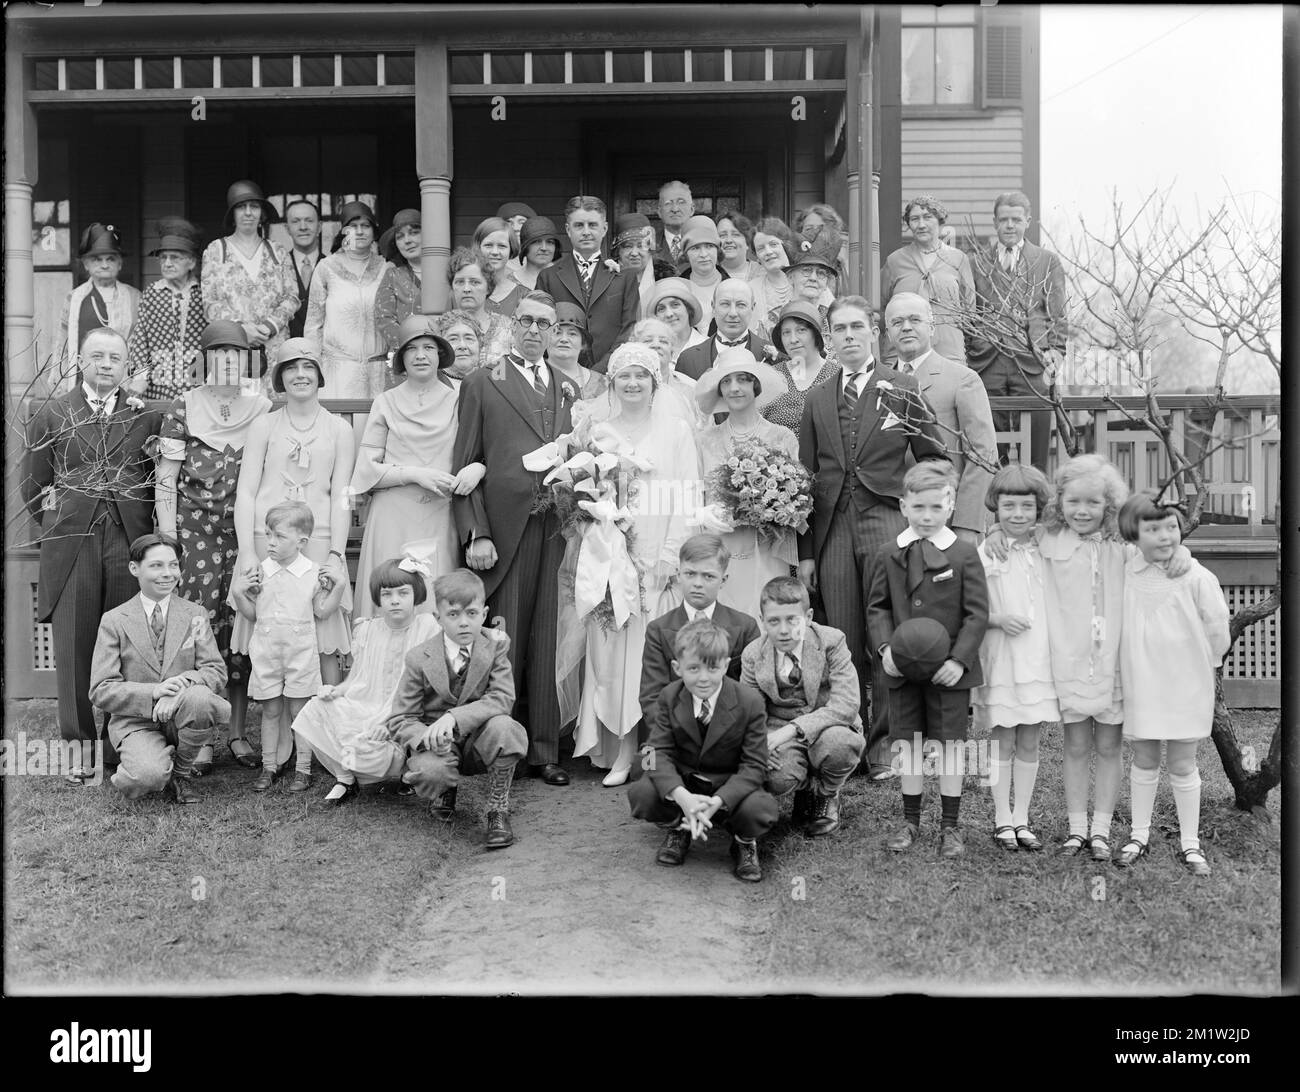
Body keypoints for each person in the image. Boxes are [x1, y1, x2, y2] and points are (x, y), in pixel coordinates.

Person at [981, 453, 1191, 860]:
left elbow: (1161, 551)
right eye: (1073, 502)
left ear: (1109, 505)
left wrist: (1180, 553)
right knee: (1076, 747)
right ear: (1059, 503)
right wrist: (993, 531)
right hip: (1068, 663)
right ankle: (1076, 829)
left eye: (1093, 503)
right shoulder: (1048, 538)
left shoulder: (1123, 545)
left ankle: (1101, 829)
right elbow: (1015, 531)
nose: (1082, 511)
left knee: (1110, 747)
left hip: (1112, 663)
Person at [797, 297, 947, 781]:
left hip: (884, 520)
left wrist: (921, 512)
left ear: (873, 332)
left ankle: (886, 746)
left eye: (857, 327)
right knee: (842, 635)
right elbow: (804, 477)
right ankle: (850, 738)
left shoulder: (900, 387)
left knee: (885, 635)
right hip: (833, 526)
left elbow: (933, 457)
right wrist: (805, 553)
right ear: (829, 336)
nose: (847, 336)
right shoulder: (818, 398)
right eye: (838, 329)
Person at [22, 327, 160, 778]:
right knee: (78, 643)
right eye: (96, 355)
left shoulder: (145, 416)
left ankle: (121, 741)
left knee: (127, 645)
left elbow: (155, 480)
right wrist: (64, 526)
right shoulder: (52, 413)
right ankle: (79, 747)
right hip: (74, 541)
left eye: (115, 358)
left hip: (128, 540)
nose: (105, 364)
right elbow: (32, 487)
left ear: (126, 366)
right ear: (80, 360)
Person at [451, 291, 576, 785]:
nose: (533, 330)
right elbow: (465, 461)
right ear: (511, 327)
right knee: (506, 637)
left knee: (550, 635)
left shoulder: (567, 386)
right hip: (503, 529)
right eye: (524, 320)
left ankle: (544, 749)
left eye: (545, 324)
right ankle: (498, 744)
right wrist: (476, 532)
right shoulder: (484, 382)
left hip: (556, 526)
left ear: (555, 332)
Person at [568, 342, 699, 785]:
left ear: (654, 381)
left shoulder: (676, 430)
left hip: (658, 558)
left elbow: (686, 493)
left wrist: (670, 555)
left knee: (653, 655)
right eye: (624, 375)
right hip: (611, 556)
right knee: (613, 654)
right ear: (612, 382)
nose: (632, 383)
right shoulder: (598, 432)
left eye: (641, 375)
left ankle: (658, 749)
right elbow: (583, 495)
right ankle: (621, 748)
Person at [155, 320, 272, 774]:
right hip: (194, 536)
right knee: (198, 635)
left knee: (243, 631)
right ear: (204, 360)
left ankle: (239, 733)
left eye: (235, 354)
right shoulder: (184, 408)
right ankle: (199, 736)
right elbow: (166, 480)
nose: (227, 362)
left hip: (246, 535)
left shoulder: (261, 408)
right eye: (218, 353)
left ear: (246, 360)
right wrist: (170, 539)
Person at [867, 462, 989, 858]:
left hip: (949, 672)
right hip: (902, 670)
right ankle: (910, 821)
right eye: (918, 507)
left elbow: (976, 614)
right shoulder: (888, 553)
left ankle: (950, 826)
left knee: (951, 746)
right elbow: (877, 607)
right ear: (903, 506)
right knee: (909, 745)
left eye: (936, 508)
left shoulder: (964, 553)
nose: (926, 516)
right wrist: (886, 650)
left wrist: (959, 660)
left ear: (950, 507)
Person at [232, 338, 356, 721]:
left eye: (307, 368)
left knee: (322, 629)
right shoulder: (264, 425)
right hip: (266, 540)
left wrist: (336, 553)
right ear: (280, 378)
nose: (299, 375)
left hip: (317, 541)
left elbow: (342, 495)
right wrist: (247, 550)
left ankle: (324, 728)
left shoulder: (339, 429)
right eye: (290, 368)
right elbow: (247, 490)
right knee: (269, 626)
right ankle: (277, 731)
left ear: (319, 376)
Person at [1114, 492, 1230, 877]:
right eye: (1153, 529)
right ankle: (1139, 834)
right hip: (1141, 681)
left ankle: (1190, 843)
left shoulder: (1195, 575)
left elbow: (1217, 627)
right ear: (1133, 534)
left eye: (1171, 527)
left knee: (1183, 763)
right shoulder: (1125, 571)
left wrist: (1207, 666)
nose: (1165, 536)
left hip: (1185, 682)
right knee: (1144, 758)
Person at [387, 568, 530, 849]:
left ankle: (497, 808)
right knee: (430, 770)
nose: (463, 623)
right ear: (438, 618)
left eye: (472, 614)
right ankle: (444, 791)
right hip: (438, 746)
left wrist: (454, 717)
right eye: (453, 615)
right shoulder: (419, 658)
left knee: (506, 728)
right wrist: (426, 736)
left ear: (485, 613)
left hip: (479, 741)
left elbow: (502, 698)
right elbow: (400, 718)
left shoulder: (495, 647)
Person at [627, 618, 777, 883]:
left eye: (712, 667)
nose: (704, 677)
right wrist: (682, 797)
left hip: (728, 784)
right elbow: (656, 750)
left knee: (760, 809)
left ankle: (744, 841)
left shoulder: (750, 701)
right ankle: (678, 827)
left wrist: (719, 801)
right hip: (684, 780)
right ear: (677, 668)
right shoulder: (668, 697)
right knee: (643, 779)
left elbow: (755, 765)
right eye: (693, 668)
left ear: (726, 665)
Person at [88, 534, 231, 804]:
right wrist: (155, 691)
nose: (167, 574)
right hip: (136, 721)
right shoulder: (114, 620)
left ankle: (181, 772)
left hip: (183, 712)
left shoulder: (195, 614)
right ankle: (151, 763)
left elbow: (215, 671)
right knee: (146, 777)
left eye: (173, 565)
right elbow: (101, 690)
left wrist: (179, 690)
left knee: (200, 698)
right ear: (135, 569)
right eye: (156, 566)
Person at [351, 317, 479, 618]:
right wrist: (414, 474)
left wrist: (479, 468)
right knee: (390, 599)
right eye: (412, 349)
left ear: (440, 355)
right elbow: (367, 471)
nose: (420, 355)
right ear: (401, 358)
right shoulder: (385, 402)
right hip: (393, 515)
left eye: (428, 347)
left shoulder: (461, 400)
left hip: (440, 514)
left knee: (436, 599)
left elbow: (481, 452)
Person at [291, 558, 442, 804]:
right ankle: (345, 777)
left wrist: (391, 720)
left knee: (373, 746)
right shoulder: (369, 629)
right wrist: (336, 691)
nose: (394, 600)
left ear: (417, 595)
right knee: (315, 708)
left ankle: (404, 771)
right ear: (378, 598)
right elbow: (357, 679)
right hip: (368, 703)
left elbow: (429, 685)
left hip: (406, 711)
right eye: (387, 594)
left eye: (403, 593)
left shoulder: (426, 627)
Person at [969, 464, 1059, 852]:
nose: (1018, 514)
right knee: (1002, 737)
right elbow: (968, 609)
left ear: (1039, 509)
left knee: (1030, 739)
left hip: (1038, 658)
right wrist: (998, 619)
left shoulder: (1048, 549)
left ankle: (1021, 816)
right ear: (995, 507)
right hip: (1002, 656)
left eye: (1027, 506)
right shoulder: (986, 553)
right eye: (1009, 506)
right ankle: (1001, 818)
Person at [231, 500, 345, 792]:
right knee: (270, 711)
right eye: (268, 534)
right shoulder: (260, 571)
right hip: (267, 653)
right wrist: (240, 594)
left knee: (299, 712)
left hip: (300, 655)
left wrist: (339, 588)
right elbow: (253, 614)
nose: (270, 542)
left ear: (301, 541)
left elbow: (322, 611)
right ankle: (269, 766)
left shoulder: (312, 572)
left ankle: (303, 769)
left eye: (279, 537)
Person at [741, 576, 864, 836]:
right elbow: (750, 711)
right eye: (774, 621)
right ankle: (806, 788)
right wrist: (761, 739)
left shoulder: (831, 641)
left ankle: (827, 793)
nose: (784, 630)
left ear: (808, 617)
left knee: (840, 745)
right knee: (776, 775)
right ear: (762, 621)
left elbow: (846, 703)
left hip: (829, 725)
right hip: (778, 728)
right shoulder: (753, 654)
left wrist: (792, 730)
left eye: (792, 620)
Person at [966, 190, 1068, 471]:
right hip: (987, 359)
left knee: (1036, 433)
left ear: (1028, 221)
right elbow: (967, 310)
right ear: (995, 222)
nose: (1009, 225)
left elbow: (1057, 312)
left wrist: (1056, 351)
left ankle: (1035, 495)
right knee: (989, 435)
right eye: (1003, 219)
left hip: (1033, 360)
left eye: (1016, 219)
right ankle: (995, 498)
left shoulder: (1047, 261)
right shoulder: (976, 262)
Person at [884, 292, 997, 543]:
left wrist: (967, 524)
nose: (906, 327)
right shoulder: (878, 383)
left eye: (915, 319)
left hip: (945, 519)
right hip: (889, 522)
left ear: (932, 327)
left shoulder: (962, 379)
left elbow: (983, 454)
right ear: (888, 333)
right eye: (897, 322)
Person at [695, 348, 799, 619]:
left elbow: (797, 499)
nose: (734, 388)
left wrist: (768, 505)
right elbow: (694, 495)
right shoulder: (705, 440)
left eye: (742, 379)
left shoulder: (781, 437)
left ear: (756, 385)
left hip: (768, 549)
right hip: (720, 549)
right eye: (727, 382)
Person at [639, 535, 760, 729]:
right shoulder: (658, 630)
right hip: (674, 733)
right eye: (690, 574)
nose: (698, 583)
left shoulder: (745, 627)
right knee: (648, 758)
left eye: (708, 576)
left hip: (729, 733)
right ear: (678, 574)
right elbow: (651, 697)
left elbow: (752, 692)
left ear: (723, 580)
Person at [201, 180, 299, 379]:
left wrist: (267, 327)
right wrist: (241, 331)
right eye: (241, 207)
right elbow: (210, 303)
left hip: (273, 346)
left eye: (254, 206)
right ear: (233, 214)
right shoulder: (216, 251)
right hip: (232, 349)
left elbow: (292, 297)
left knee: (273, 406)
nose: (248, 212)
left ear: (261, 213)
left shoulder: (278, 252)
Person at [537, 195, 639, 371]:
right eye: (579, 225)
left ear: (604, 228)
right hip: (561, 372)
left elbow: (630, 328)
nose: (586, 232)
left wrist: (601, 370)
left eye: (592, 225)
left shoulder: (625, 277)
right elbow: (541, 325)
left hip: (612, 372)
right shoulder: (548, 277)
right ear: (568, 230)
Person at [304, 200, 388, 397]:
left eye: (365, 226)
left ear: (374, 231)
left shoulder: (386, 268)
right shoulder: (326, 268)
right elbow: (313, 325)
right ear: (343, 232)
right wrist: (313, 366)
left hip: (378, 372)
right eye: (352, 226)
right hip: (336, 371)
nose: (359, 232)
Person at [880, 195, 976, 367]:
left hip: (948, 353)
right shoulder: (895, 261)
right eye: (915, 219)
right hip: (903, 355)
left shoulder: (958, 259)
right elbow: (881, 309)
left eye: (928, 217)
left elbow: (969, 311)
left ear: (940, 221)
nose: (921, 225)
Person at [57, 224, 142, 394]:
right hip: (81, 382)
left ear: (120, 264)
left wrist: (137, 382)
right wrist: (59, 380)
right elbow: (63, 343)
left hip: (123, 383)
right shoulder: (74, 298)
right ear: (86, 264)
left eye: (110, 259)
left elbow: (142, 344)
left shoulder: (135, 297)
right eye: (97, 259)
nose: (104, 265)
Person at [129, 217, 205, 400]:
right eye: (163, 257)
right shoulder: (152, 293)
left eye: (175, 257)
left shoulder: (204, 294)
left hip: (198, 382)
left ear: (192, 262)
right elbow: (140, 339)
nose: (167, 263)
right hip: (159, 384)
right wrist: (140, 377)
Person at [760, 300, 840, 434]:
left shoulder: (837, 376)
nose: (793, 339)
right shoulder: (771, 377)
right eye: (786, 332)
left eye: (801, 330)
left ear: (816, 334)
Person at [675, 278, 771, 382]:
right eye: (725, 304)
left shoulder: (774, 355)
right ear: (713, 306)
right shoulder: (688, 359)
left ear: (752, 307)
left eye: (741, 305)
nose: (733, 313)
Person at [628, 317, 703, 430]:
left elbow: (704, 433)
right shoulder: (624, 387)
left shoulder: (691, 388)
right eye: (648, 340)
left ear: (672, 352)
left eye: (663, 341)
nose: (656, 345)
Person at [448, 247, 514, 368]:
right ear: (452, 287)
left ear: (488, 287)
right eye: (460, 282)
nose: (466, 289)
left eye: (475, 282)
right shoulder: (441, 329)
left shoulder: (507, 329)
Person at [374, 208, 424, 353]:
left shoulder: (447, 272)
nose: (407, 241)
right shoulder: (392, 276)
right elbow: (384, 319)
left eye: (414, 233)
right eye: (400, 236)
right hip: (404, 355)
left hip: (444, 356)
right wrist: (412, 347)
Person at [748, 217, 799, 340]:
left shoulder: (810, 280)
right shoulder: (750, 290)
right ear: (757, 257)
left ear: (786, 245)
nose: (768, 252)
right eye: (761, 248)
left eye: (773, 244)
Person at [546, 302, 608, 400]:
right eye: (557, 332)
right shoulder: (530, 377)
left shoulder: (601, 384)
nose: (564, 339)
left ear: (583, 343)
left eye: (572, 334)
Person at [677, 214, 727, 335]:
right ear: (686, 254)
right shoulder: (675, 291)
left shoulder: (735, 288)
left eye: (709, 246)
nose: (703, 254)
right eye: (695, 248)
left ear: (717, 250)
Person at [283, 199, 324, 339]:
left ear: (319, 227)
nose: (303, 227)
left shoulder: (333, 267)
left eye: (309, 220)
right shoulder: (276, 267)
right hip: (284, 353)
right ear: (287, 228)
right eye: (295, 221)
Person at [645, 277, 707, 365]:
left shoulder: (708, 348)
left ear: (688, 309)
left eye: (675, 305)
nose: (669, 314)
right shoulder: (649, 352)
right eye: (661, 309)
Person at [474, 216, 528, 316]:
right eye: (488, 245)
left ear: (511, 250)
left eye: (502, 246)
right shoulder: (463, 290)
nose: (495, 252)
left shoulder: (524, 295)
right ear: (478, 248)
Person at [611, 212, 658, 316]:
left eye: (641, 246)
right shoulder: (606, 278)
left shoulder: (666, 277)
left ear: (650, 249)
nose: (634, 253)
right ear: (618, 251)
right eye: (628, 246)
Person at [514, 215, 562, 291]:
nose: (544, 248)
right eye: (536, 241)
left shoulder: (566, 279)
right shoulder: (508, 282)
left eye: (550, 242)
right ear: (525, 246)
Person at [653, 180, 695, 265]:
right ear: (659, 211)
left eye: (681, 202)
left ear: (692, 209)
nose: (675, 209)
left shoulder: (703, 242)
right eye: (668, 203)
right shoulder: (650, 245)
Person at [436, 309, 485, 380]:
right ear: (440, 347)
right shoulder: (429, 383)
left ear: (480, 344)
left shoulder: (491, 382)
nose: (462, 346)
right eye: (453, 339)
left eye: (469, 338)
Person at [716, 212, 763, 282]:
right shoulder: (706, 274)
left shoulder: (764, 274)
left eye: (735, 235)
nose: (729, 240)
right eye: (723, 235)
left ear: (747, 242)